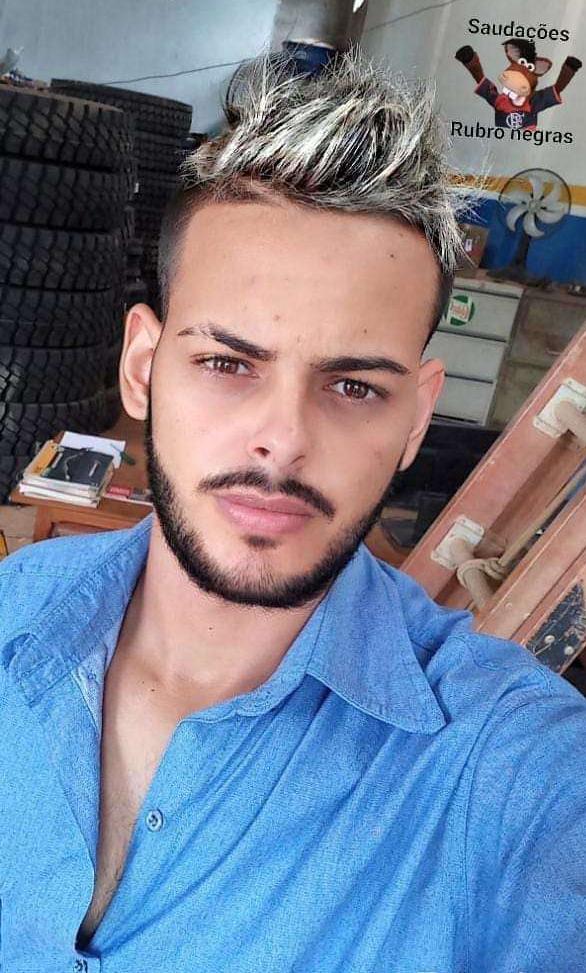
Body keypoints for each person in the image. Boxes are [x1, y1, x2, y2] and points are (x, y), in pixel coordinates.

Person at [0, 50, 584, 973]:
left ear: (415, 419)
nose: (282, 441)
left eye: (353, 386)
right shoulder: (12, 612)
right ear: (144, 368)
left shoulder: (511, 769)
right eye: (228, 364)